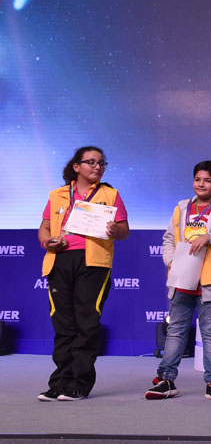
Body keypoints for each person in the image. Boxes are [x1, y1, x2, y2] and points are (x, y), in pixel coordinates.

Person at [37, 147, 130, 402]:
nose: (97, 167)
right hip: (59, 261)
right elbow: (44, 228)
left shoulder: (110, 194)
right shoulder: (57, 194)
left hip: (94, 264)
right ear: (76, 166)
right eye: (91, 162)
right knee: (63, 324)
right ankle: (59, 383)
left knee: (86, 323)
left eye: (101, 163)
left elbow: (124, 231)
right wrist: (47, 242)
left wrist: (115, 230)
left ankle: (79, 384)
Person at [146, 161, 211, 401]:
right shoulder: (181, 208)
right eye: (197, 179)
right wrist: (171, 261)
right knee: (176, 330)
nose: (201, 184)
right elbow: (169, 239)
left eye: (207, 180)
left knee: (210, 333)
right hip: (182, 278)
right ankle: (166, 380)